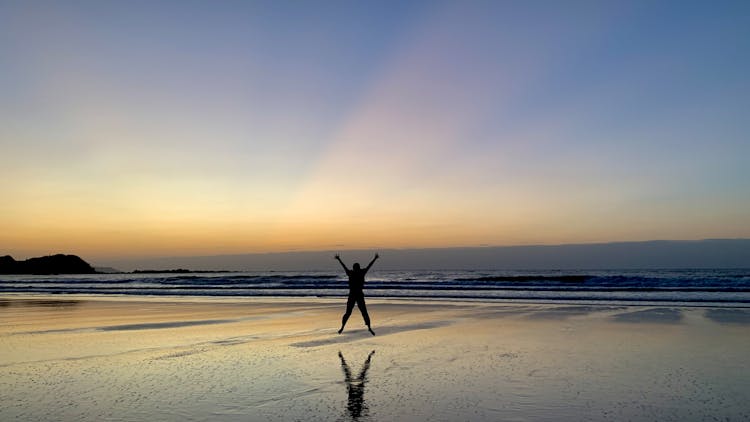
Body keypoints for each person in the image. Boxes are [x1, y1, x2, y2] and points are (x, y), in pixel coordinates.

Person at [335, 253, 378, 335]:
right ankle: (368, 327)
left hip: (353, 295)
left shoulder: (351, 273)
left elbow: (344, 266)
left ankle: (342, 327)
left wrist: (339, 259)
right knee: (363, 312)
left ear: (354, 268)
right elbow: (369, 265)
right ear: (358, 267)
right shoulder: (361, 272)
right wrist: (375, 258)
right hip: (358, 295)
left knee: (350, 312)